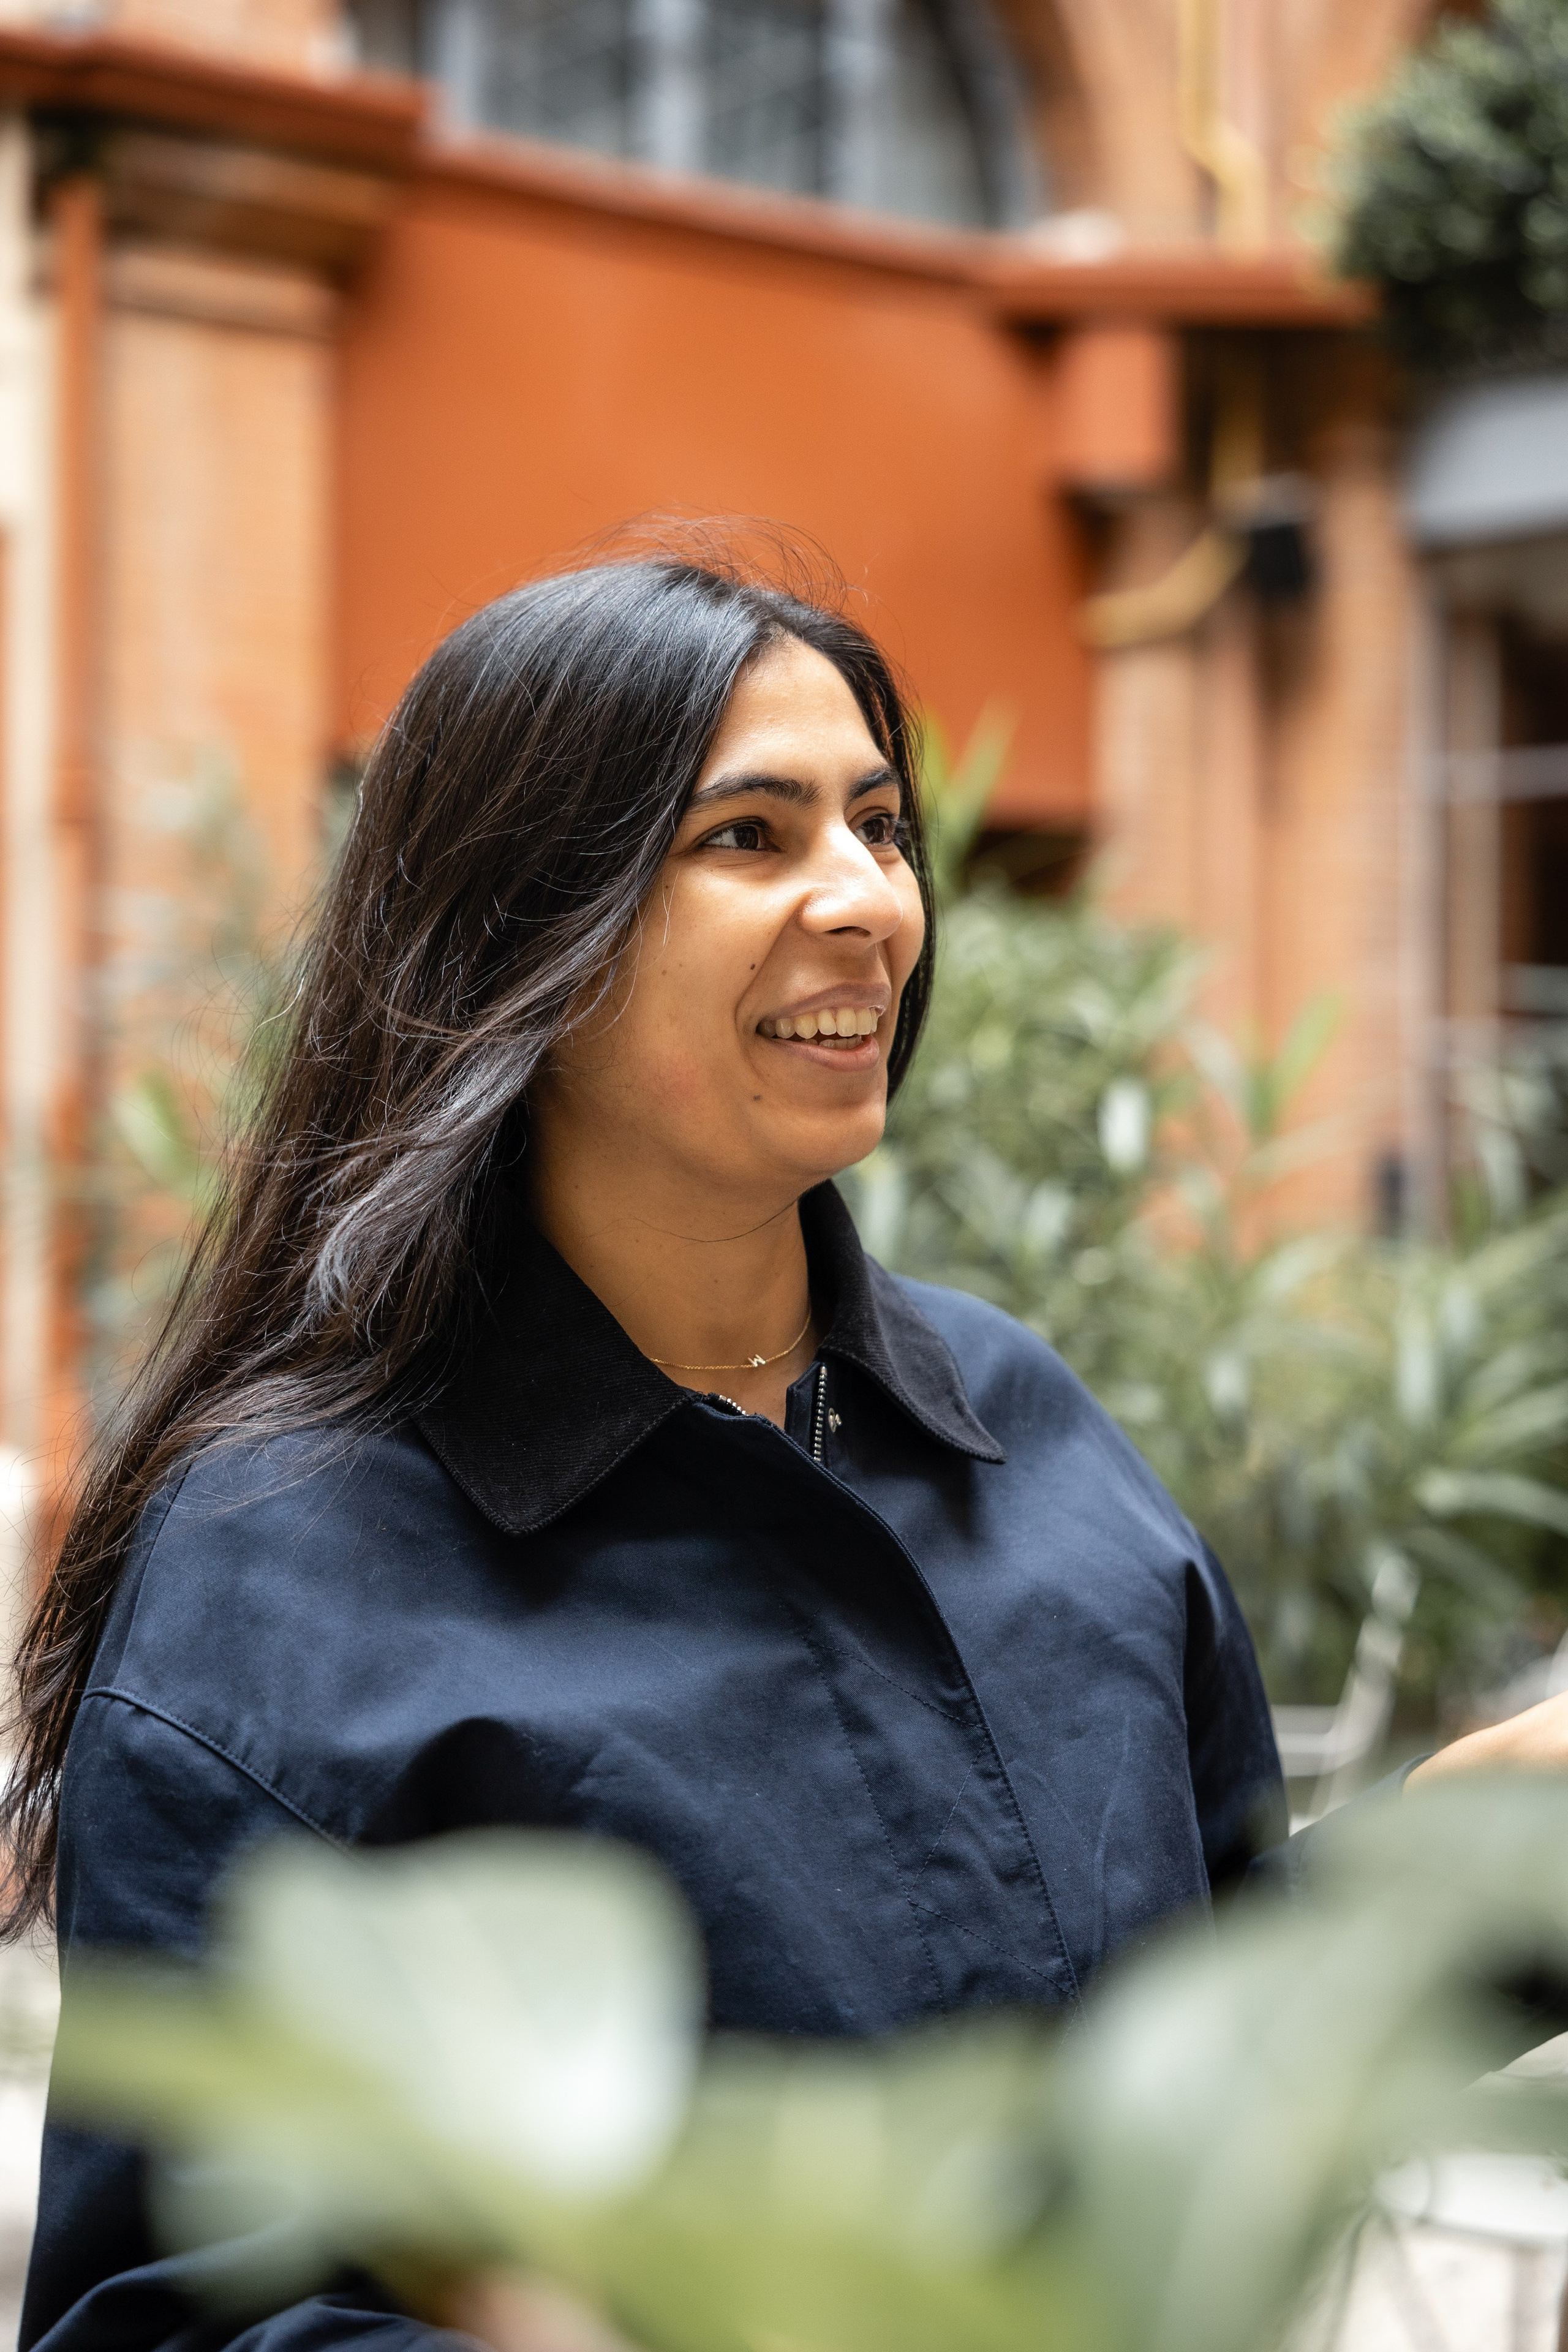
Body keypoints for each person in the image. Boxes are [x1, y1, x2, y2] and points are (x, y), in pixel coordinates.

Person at [7, 553, 1564, 2352]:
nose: (867, 902)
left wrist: (1496, 1845)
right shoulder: (283, 1570)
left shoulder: (1020, 1423)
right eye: (750, 836)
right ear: (532, 934)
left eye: (882, 827)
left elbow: (1198, 2017)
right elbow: (172, 2321)